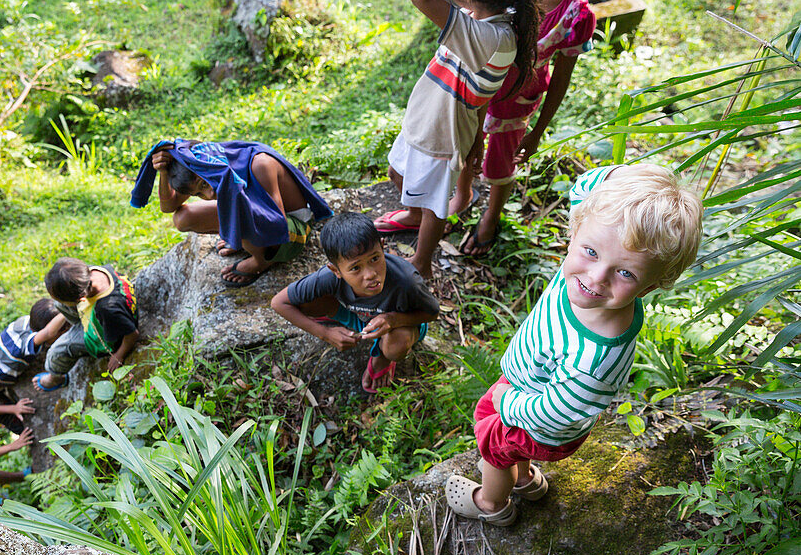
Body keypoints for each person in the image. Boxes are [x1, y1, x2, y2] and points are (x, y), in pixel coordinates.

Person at [444, 164, 703, 525]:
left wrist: (509, 405)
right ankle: (527, 482)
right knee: (513, 450)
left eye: (625, 273)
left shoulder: (594, 358)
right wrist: (643, 185)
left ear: (648, 287)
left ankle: (491, 504)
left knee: (493, 452)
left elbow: (557, 411)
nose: (596, 277)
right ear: (575, 229)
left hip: (539, 420)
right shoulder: (592, 250)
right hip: (529, 394)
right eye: (591, 252)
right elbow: (587, 188)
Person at [374, 0, 540, 279]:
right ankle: (415, 215)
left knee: (436, 204)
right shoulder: (479, 18)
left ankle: (422, 261)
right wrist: (477, 137)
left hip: (441, 135)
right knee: (396, 172)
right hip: (425, 122)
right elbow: (478, 93)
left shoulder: (491, 36)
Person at [457, 0, 602, 256]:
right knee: (463, 146)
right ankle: (462, 192)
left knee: (500, 160)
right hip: (474, 86)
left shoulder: (576, 16)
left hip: (517, 100)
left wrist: (537, 131)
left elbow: (562, 77)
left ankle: (491, 216)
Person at [270, 211, 440, 393]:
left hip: (399, 322)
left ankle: (382, 356)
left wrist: (392, 320)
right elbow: (279, 303)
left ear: (382, 247)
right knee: (304, 303)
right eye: (355, 268)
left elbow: (432, 312)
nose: (370, 274)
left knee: (396, 344)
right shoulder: (328, 278)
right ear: (335, 270)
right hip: (356, 313)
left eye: (375, 259)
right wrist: (325, 334)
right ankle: (340, 320)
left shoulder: (406, 281)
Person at [130, 139, 333, 287]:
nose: (209, 193)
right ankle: (247, 241)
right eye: (198, 193)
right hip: (264, 221)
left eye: (203, 184)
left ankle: (262, 260)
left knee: (236, 208)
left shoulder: (260, 164)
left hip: (291, 229)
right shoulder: (205, 170)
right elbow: (169, 208)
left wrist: (245, 242)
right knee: (182, 218)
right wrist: (163, 171)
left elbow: (275, 226)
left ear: (211, 167)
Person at [33, 257, 139, 391]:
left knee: (55, 353)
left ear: (82, 299)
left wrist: (119, 355)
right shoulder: (92, 272)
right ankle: (75, 327)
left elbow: (132, 334)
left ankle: (55, 378)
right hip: (101, 315)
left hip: (104, 337)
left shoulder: (108, 309)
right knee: (58, 304)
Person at [0, 298, 67, 432]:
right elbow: (49, 333)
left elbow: (48, 331)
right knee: (18, 424)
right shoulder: (23, 346)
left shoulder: (24, 321)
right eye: (63, 329)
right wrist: (67, 310)